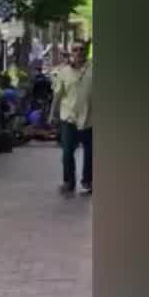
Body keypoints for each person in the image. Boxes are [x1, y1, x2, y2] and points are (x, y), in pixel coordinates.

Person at [53, 43, 94, 195]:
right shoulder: (64, 72)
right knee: (67, 154)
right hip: (69, 119)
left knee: (90, 154)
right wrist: (52, 114)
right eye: (75, 50)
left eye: (82, 49)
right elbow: (57, 95)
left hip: (91, 119)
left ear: (87, 51)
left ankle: (87, 181)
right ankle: (68, 182)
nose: (79, 52)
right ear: (71, 53)